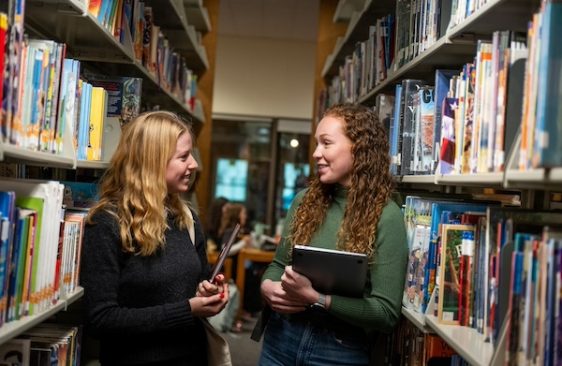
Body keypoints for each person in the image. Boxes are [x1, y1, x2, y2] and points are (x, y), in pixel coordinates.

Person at [258, 103, 408, 365]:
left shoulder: (388, 216)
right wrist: (267, 287)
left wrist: (317, 299)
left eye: (326, 143)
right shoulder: (304, 201)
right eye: (316, 144)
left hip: (338, 350)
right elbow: (278, 265)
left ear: (359, 147)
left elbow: (385, 313)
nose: (316, 153)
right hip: (281, 337)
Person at [80, 111, 229, 366]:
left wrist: (209, 291)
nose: (193, 164)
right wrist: (187, 309)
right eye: (183, 157)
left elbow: (199, 279)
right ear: (153, 163)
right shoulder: (107, 224)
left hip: (192, 356)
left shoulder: (186, 218)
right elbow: (100, 319)